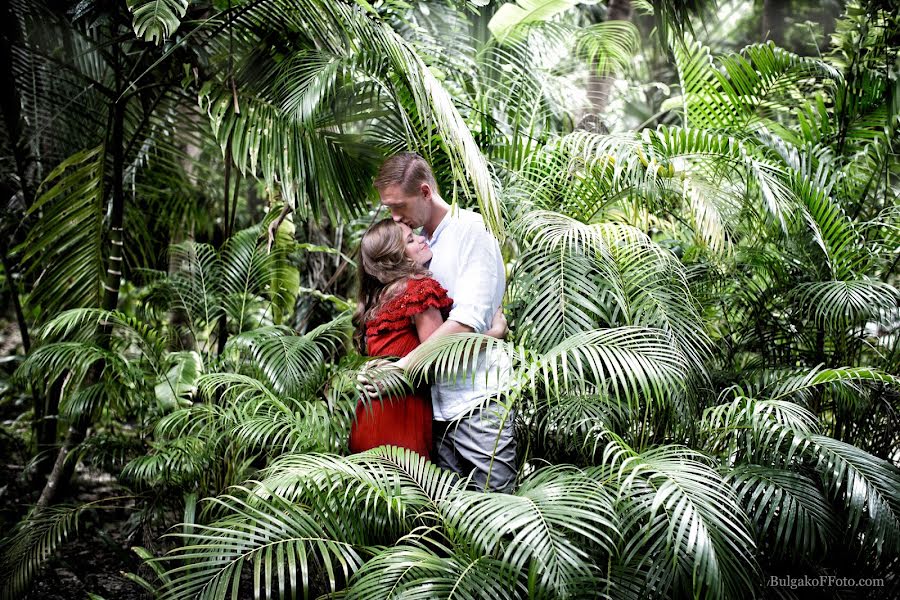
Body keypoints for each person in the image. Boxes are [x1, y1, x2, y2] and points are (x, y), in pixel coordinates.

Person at [374, 152, 517, 493]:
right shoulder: (415, 245)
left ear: (425, 192)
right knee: (451, 524)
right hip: (435, 411)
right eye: (388, 208)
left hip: (478, 404)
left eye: (399, 206)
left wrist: (402, 368)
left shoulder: (471, 232)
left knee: (498, 516)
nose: (395, 217)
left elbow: (467, 323)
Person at [348, 218, 507, 457]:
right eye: (411, 240)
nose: (422, 238)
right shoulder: (417, 290)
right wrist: (495, 333)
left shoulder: (381, 297)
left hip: (370, 417)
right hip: (400, 422)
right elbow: (441, 354)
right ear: (397, 257)